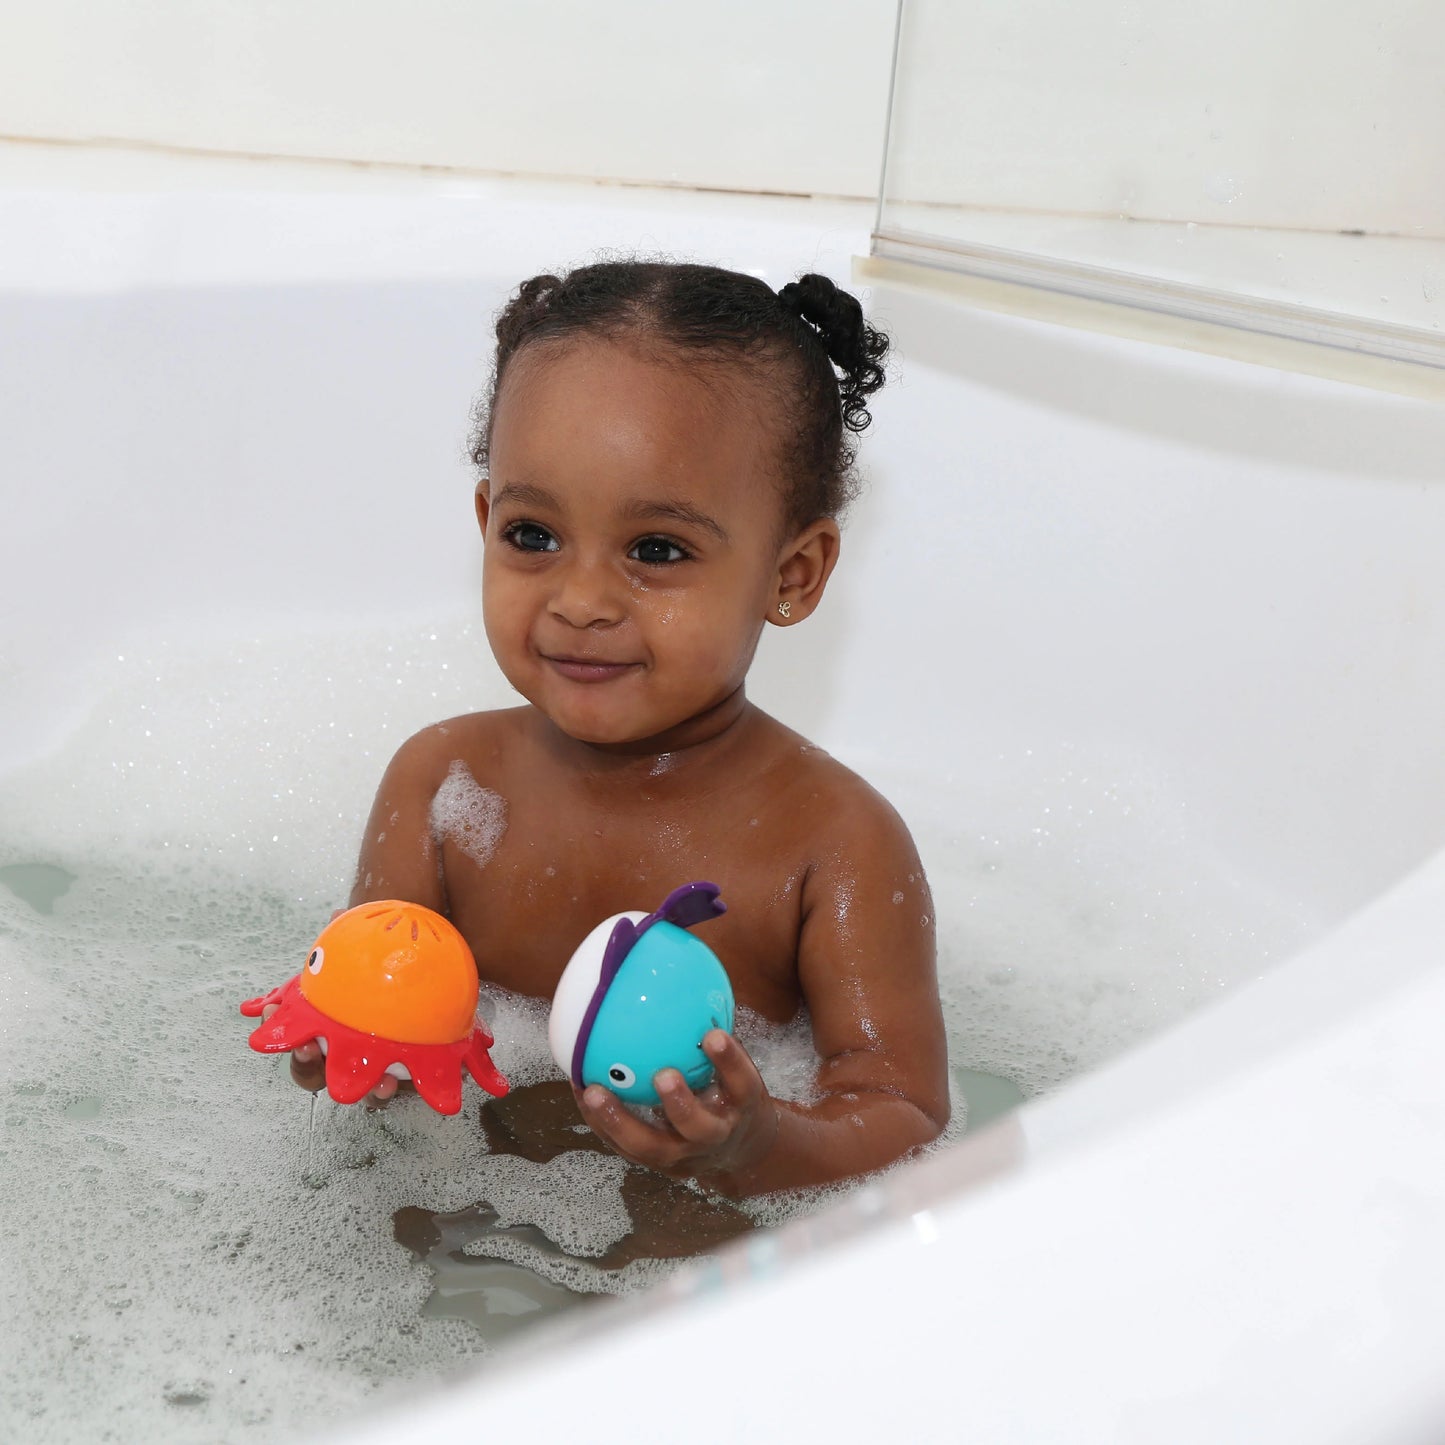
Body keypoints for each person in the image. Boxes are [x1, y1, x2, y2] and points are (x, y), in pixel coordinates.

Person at [282, 260, 949, 1199]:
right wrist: (352, 1050)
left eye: (656, 550)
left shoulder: (833, 842)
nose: (582, 599)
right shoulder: (441, 781)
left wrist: (754, 1148)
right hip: (443, 1210)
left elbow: (901, 1110)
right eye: (532, 534)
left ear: (791, 575)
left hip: (687, 1271)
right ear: (483, 520)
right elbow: (382, 1021)